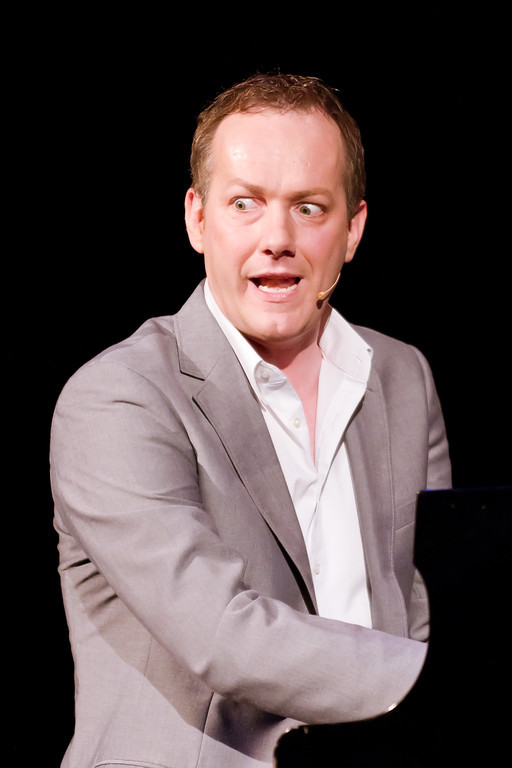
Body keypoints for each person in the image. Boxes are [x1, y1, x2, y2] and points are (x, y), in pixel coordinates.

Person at [50, 73, 451, 768]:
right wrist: (445, 680)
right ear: (197, 219)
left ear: (352, 229)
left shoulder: (402, 375)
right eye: (245, 203)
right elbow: (221, 632)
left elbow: (428, 599)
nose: (277, 238)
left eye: (309, 207)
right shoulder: (118, 397)